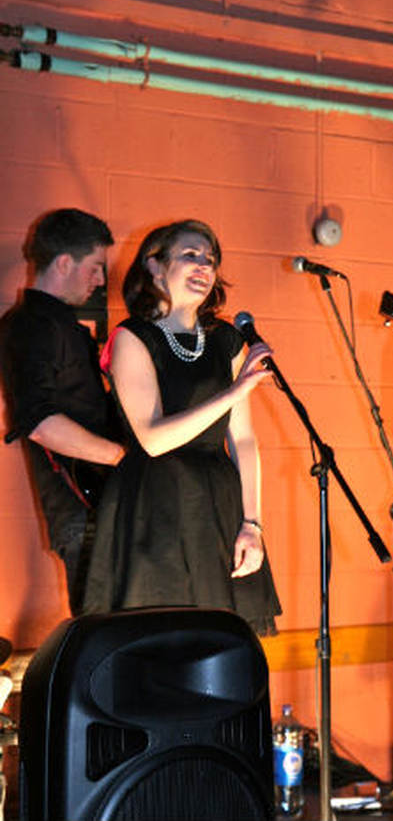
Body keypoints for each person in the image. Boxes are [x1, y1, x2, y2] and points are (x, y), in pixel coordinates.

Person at [82, 219, 281, 636]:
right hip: (155, 505)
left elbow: (243, 439)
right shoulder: (132, 338)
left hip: (216, 500)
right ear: (155, 267)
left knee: (224, 643)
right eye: (190, 255)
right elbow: (153, 439)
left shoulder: (225, 340)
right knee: (161, 641)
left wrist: (252, 523)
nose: (204, 266)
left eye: (210, 260)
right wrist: (233, 392)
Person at [2, 209, 124, 615]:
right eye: (95, 267)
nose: (101, 281)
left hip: (99, 509)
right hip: (83, 513)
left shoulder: (58, 326)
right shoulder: (30, 325)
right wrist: (123, 458)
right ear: (65, 262)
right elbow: (39, 423)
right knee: (103, 643)